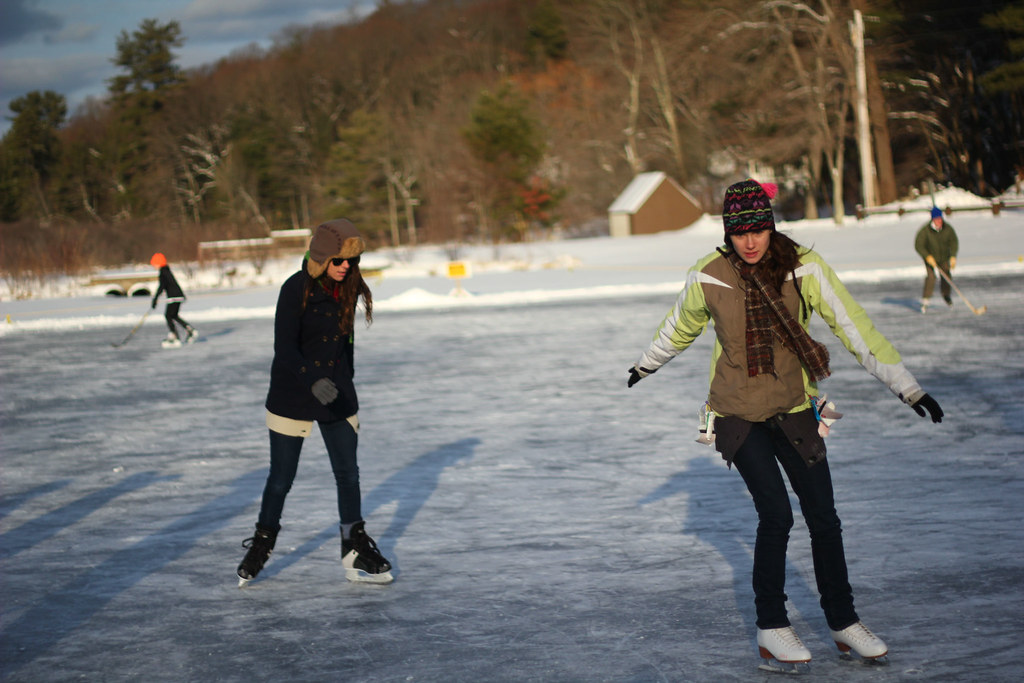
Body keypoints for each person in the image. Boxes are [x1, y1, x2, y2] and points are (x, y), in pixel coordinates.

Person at [627, 179, 943, 671]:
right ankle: (772, 627)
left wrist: (907, 385)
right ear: (727, 232)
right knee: (776, 515)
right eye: (739, 231)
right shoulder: (708, 276)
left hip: (796, 408)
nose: (750, 241)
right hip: (736, 414)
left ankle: (842, 622)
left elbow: (853, 325)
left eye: (758, 229)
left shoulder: (804, 268)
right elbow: (680, 325)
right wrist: (646, 363)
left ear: (771, 225)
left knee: (824, 516)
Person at [236, 218, 393, 587]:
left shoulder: (348, 288)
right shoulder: (296, 288)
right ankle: (261, 545)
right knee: (281, 478)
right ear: (322, 258)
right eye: (339, 261)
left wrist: (345, 387)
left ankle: (353, 547)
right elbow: (284, 348)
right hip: (293, 393)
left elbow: (346, 344)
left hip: (336, 394)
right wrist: (313, 380)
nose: (346, 268)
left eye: (352, 262)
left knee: (348, 474)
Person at [914, 206, 959, 314]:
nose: (939, 221)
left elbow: (953, 242)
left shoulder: (947, 228)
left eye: (940, 219)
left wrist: (953, 256)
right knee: (931, 277)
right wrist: (927, 256)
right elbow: (918, 245)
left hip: (944, 257)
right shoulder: (925, 230)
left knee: (946, 275)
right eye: (936, 219)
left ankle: (946, 295)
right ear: (933, 219)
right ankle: (925, 299)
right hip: (931, 259)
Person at [150, 253, 198, 347]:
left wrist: (155, 298)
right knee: (174, 315)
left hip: (173, 296)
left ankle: (175, 336)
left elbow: (162, 286)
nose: (154, 266)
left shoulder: (163, 272)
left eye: (154, 264)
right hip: (177, 295)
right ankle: (190, 330)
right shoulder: (166, 270)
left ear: (159, 263)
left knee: (168, 315)